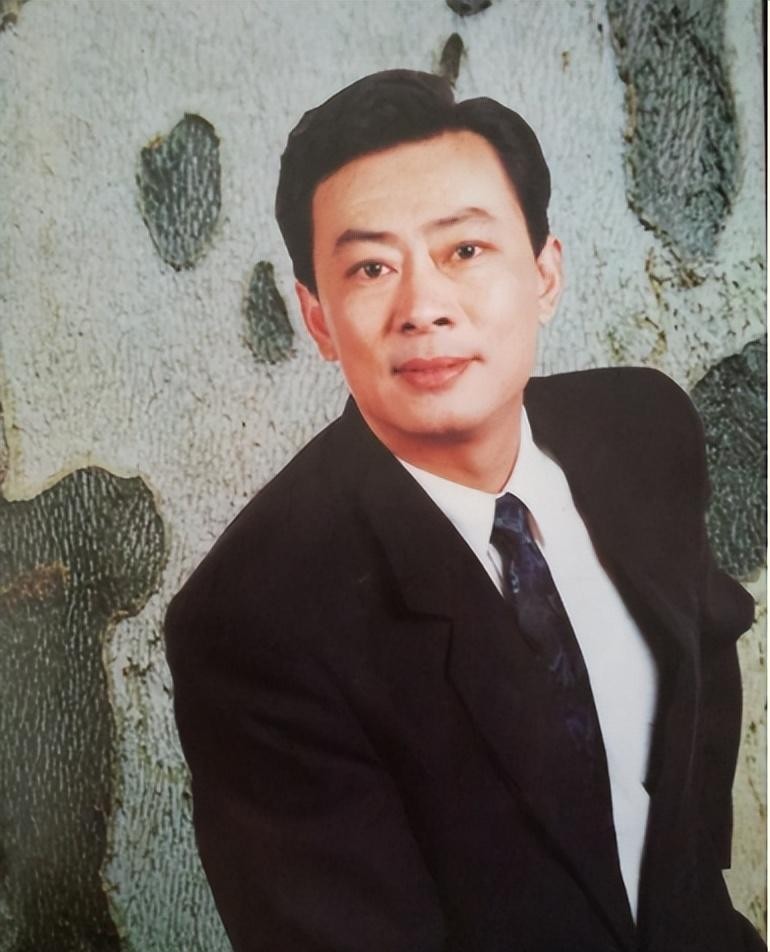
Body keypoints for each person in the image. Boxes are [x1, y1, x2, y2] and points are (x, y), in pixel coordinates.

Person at [165, 70, 764, 952]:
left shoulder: (644, 428)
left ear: (545, 273)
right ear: (318, 319)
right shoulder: (253, 621)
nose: (424, 309)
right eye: (371, 268)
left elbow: (701, 664)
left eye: (465, 250)